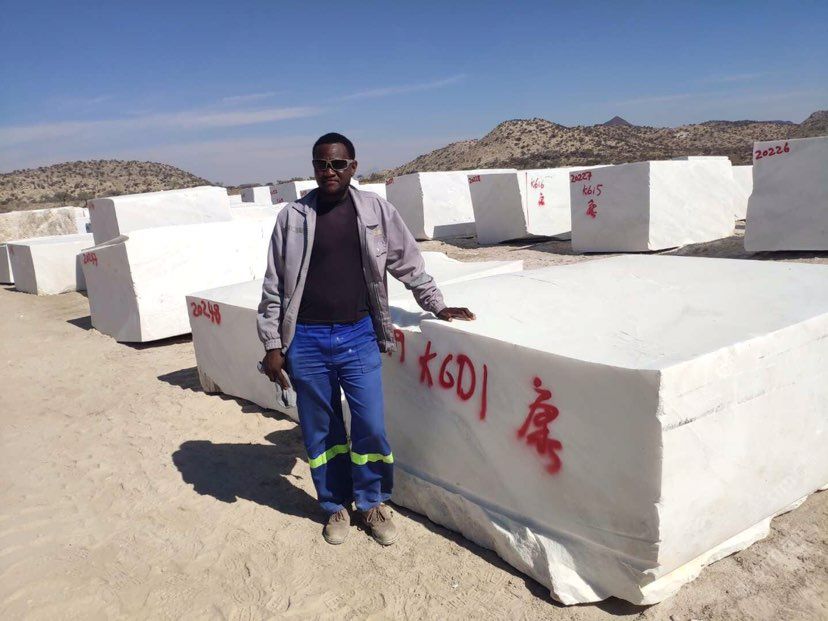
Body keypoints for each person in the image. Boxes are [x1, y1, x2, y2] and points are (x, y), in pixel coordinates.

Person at [257, 133, 475, 546]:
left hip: (358, 334)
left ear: (353, 167)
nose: (329, 171)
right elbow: (274, 285)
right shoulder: (293, 217)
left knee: (370, 424)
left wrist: (437, 304)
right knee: (321, 430)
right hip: (306, 339)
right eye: (322, 164)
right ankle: (334, 505)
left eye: (338, 164)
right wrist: (272, 344)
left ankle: (372, 501)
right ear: (314, 167)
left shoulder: (375, 211)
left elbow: (407, 262)